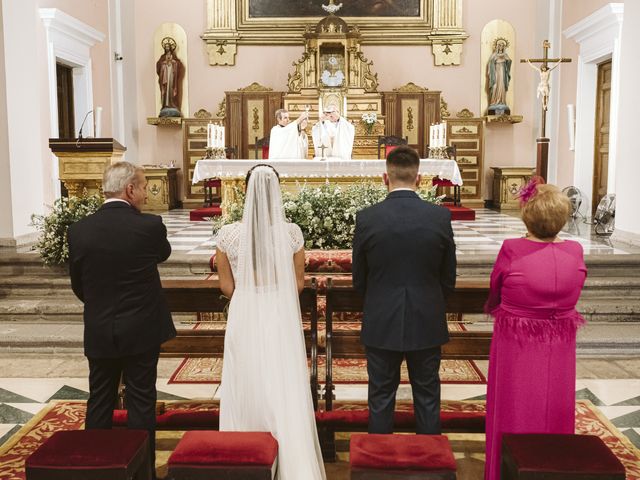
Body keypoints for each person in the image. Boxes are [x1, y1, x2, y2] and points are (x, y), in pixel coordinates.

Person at [215, 165, 326, 480]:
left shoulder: (228, 235)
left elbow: (226, 287)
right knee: (281, 377)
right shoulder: (291, 233)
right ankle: (289, 453)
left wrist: (250, 292)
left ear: (246, 192)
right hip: (279, 312)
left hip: (245, 311)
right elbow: (299, 284)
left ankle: (243, 454)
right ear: (276, 192)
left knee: (247, 374)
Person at [68, 161, 176, 478]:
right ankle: (142, 473)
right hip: (142, 330)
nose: (145, 194)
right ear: (129, 189)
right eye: (142, 187)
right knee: (142, 402)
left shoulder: (79, 231)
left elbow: (79, 285)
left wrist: (103, 307)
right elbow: (163, 253)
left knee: (99, 400)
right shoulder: (150, 226)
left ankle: (98, 470)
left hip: (100, 328)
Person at [483, 180, 587, 480]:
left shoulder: (513, 249)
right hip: (560, 342)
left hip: (517, 342)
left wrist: (496, 307)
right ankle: (555, 467)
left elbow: (495, 291)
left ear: (527, 215)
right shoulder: (575, 251)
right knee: (555, 402)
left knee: (514, 405)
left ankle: (503, 471)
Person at [352, 146, 457, 434]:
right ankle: (430, 464)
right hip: (427, 316)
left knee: (381, 396)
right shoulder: (440, 217)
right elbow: (449, 277)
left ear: (385, 178)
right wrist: (432, 300)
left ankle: (379, 462)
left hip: (381, 317)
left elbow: (359, 278)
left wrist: (376, 301)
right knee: (427, 396)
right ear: (419, 178)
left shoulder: (367, 217)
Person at [156, 36, 184, 117]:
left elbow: (179, 65)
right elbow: (158, 66)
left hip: (172, 76)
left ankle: (173, 104)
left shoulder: (174, 57)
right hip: (164, 76)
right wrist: (164, 63)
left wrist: (173, 62)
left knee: (172, 89)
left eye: (168, 47)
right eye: (166, 47)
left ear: (171, 48)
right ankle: (165, 105)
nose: (167, 48)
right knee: (165, 90)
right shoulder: (162, 57)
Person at [487, 39, 512, 115]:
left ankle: (502, 101)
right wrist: (495, 60)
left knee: (502, 87)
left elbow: (509, 62)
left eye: (502, 46)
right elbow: (490, 63)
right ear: (497, 46)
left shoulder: (505, 55)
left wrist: (507, 60)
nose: (501, 47)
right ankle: (494, 102)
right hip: (496, 73)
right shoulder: (494, 55)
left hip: (503, 72)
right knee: (495, 86)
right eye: (499, 45)